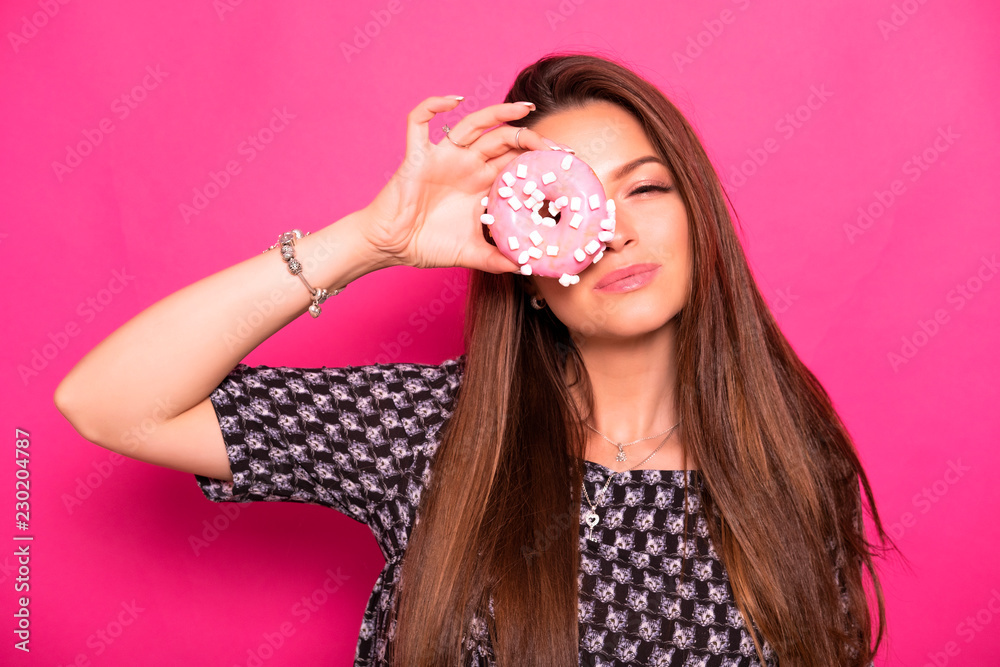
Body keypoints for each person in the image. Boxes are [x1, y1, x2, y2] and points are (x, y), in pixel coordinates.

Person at [54, 52, 891, 667]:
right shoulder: (431, 429)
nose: (618, 231)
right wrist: (367, 243)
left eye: (645, 187)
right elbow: (112, 401)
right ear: (520, 270)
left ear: (697, 215)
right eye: (566, 209)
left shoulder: (791, 457)